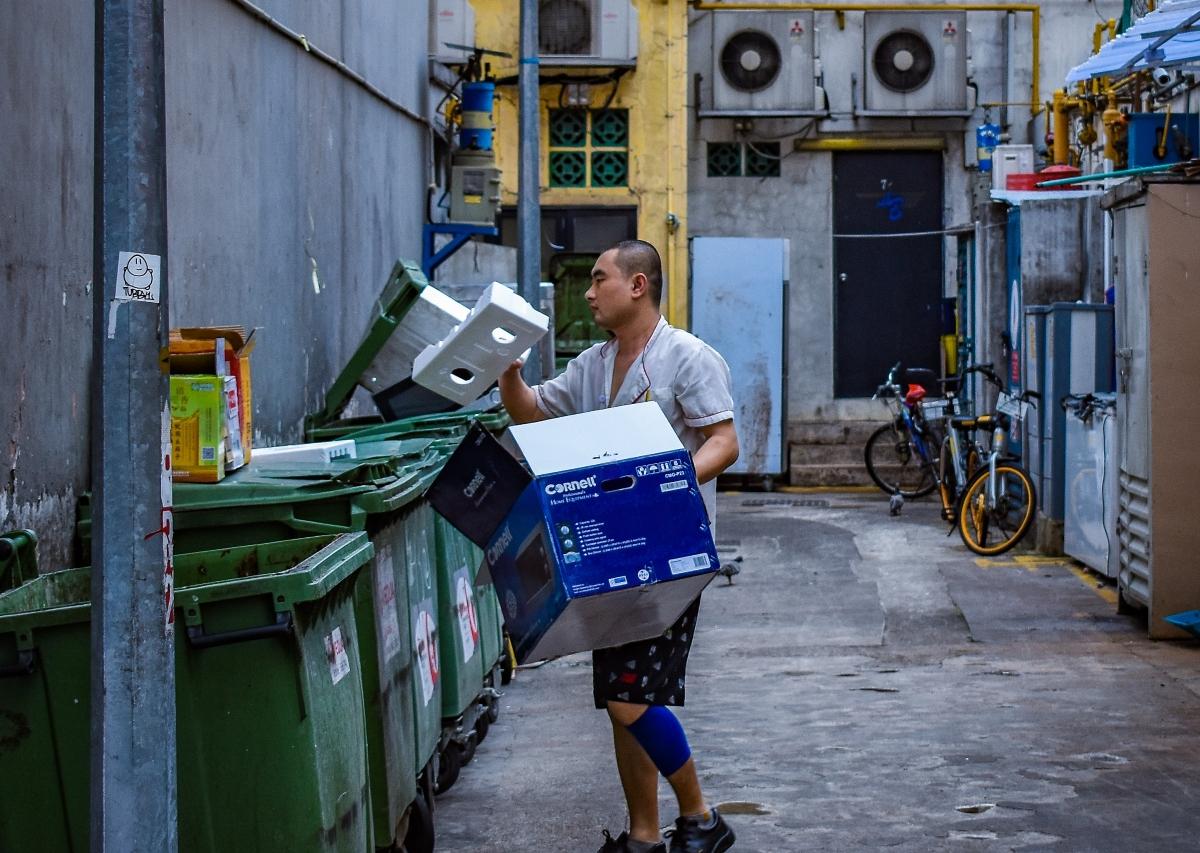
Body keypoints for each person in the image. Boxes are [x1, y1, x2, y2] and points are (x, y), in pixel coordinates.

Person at [499, 239, 740, 853]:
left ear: (637, 285)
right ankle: (643, 835)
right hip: (608, 556)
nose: (588, 291)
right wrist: (507, 371)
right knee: (622, 695)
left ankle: (701, 817)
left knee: (631, 695)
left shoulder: (687, 357)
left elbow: (724, 440)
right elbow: (531, 414)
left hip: (669, 557)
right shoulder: (591, 365)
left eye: (599, 278)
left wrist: (670, 484)